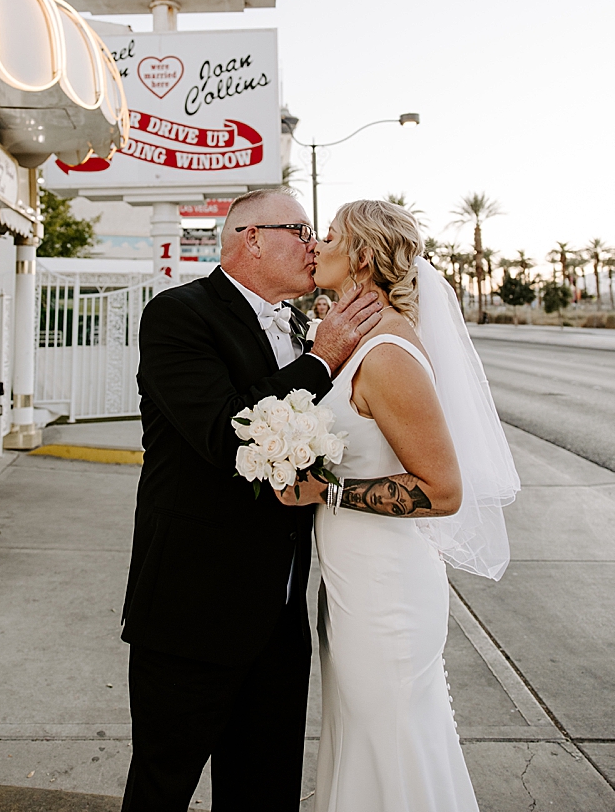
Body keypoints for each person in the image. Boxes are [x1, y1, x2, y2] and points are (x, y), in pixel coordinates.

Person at [121, 189, 384, 811]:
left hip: (281, 614)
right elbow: (226, 433)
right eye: (300, 229)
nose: (314, 244)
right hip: (192, 611)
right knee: (162, 787)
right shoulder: (177, 314)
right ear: (252, 238)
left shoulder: (298, 322)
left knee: (265, 793)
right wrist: (321, 361)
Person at [276, 200, 519, 810]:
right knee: (362, 733)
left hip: (387, 588)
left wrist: (325, 490)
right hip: (352, 575)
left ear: (360, 255)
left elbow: (442, 490)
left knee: (391, 736)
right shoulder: (354, 337)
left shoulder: (387, 353)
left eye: (327, 236)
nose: (315, 244)